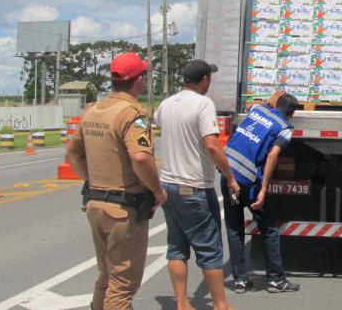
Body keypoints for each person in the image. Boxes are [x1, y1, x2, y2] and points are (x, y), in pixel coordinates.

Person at [67, 52, 167, 310]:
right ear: (139, 80)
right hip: (124, 209)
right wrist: (157, 190)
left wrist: (94, 180)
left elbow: (74, 155)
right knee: (122, 286)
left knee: (107, 276)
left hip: (95, 203)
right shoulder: (133, 114)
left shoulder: (93, 110)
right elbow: (141, 158)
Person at [156, 59, 241, 310]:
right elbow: (212, 145)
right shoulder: (203, 104)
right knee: (210, 248)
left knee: (176, 246)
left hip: (169, 184)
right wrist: (231, 177)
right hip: (194, 187)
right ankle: (220, 305)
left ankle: (182, 303)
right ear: (205, 80)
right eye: (209, 78)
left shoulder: (166, 104)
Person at [221, 90, 301, 294]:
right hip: (249, 181)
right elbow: (273, 155)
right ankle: (276, 280)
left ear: (275, 104)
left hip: (228, 175)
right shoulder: (285, 128)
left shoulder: (258, 110)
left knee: (234, 227)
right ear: (292, 114)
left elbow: (249, 107)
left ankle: (240, 280)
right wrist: (264, 189)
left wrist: (268, 101)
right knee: (269, 229)